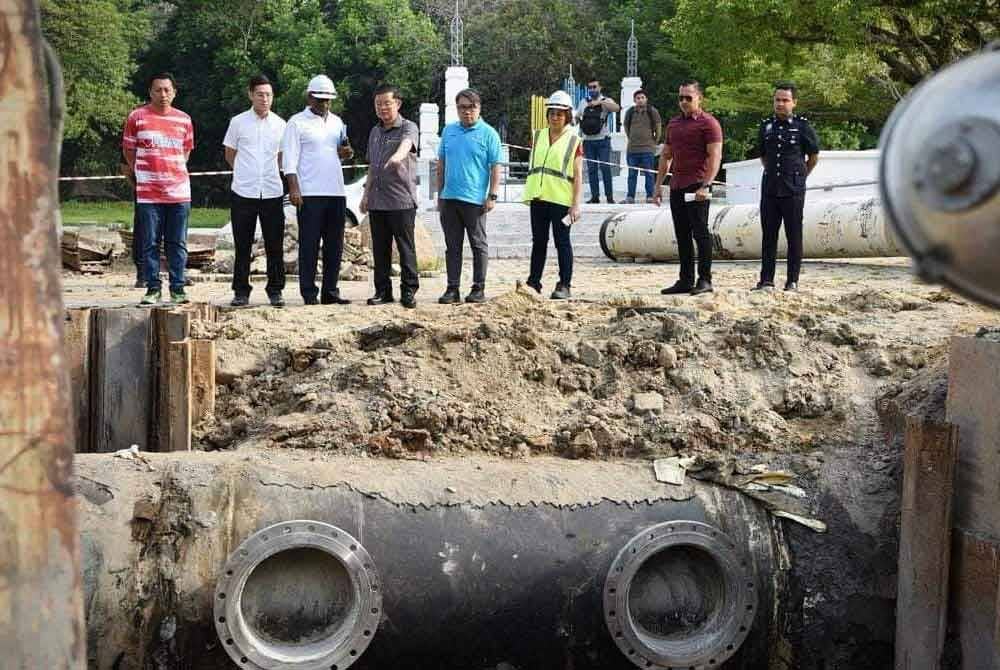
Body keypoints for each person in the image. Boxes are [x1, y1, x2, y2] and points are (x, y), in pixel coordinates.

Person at [122, 72, 194, 305]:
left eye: (167, 90)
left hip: (179, 192)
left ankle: (178, 287)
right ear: (150, 92)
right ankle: (152, 287)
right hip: (148, 193)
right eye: (158, 90)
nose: (163, 94)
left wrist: (172, 170)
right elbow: (129, 151)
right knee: (150, 242)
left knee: (177, 242)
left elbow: (186, 151)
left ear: (174, 92)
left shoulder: (184, 120)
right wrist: (142, 174)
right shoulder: (137, 118)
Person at [281, 74, 354, 305]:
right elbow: (289, 159)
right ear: (309, 97)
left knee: (334, 245)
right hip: (309, 192)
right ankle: (309, 293)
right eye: (320, 99)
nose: (324, 104)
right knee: (310, 245)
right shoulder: (296, 122)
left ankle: (331, 292)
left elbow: (341, 152)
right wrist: (294, 188)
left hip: (336, 191)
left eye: (328, 100)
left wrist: (347, 154)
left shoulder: (337, 122)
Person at [222, 74, 288, 307]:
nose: (264, 99)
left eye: (268, 95)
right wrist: (244, 172)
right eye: (260, 94)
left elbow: (282, 158)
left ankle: (276, 290)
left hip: (271, 190)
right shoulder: (238, 122)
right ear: (250, 94)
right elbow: (230, 153)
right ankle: (241, 291)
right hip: (243, 191)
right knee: (242, 245)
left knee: (274, 244)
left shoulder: (281, 124)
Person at [652, 80, 723, 296]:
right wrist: (658, 186)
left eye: (688, 98)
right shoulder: (673, 124)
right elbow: (666, 156)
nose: (683, 101)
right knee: (681, 234)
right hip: (677, 185)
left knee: (700, 233)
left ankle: (705, 279)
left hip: (697, 185)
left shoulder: (709, 123)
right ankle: (685, 279)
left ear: (699, 98)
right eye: (681, 97)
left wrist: (706, 185)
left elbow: (715, 156)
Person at [436, 88, 502, 304]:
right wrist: (440, 194)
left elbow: (495, 167)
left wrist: (492, 195)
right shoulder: (448, 131)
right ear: (457, 109)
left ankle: (478, 288)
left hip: (475, 200)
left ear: (479, 108)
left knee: (478, 244)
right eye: (462, 107)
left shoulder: (489, 133)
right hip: (450, 198)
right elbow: (441, 163)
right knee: (452, 246)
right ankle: (452, 288)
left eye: (471, 107)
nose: (467, 112)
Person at [753, 83, 820, 292]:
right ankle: (766, 280)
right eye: (777, 100)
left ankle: (792, 281)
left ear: (794, 102)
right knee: (769, 236)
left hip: (793, 189)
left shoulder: (802, 126)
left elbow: (813, 156)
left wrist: (800, 177)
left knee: (794, 235)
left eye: (785, 100)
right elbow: (763, 155)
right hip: (771, 188)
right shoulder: (766, 125)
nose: (780, 104)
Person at [360, 83, 420, 309]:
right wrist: (365, 195)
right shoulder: (374, 132)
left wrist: (397, 156)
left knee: (405, 247)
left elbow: (407, 145)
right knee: (380, 249)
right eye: (378, 104)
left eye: (387, 103)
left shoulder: (408, 127)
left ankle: (409, 290)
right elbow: (372, 167)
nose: (383, 108)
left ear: (398, 103)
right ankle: (382, 291)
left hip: (401, 200)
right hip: (377, 200)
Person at [522, 91, 583, 300]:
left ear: (567, 115)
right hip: (538, 197)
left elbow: (578, 174)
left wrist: (575, 204)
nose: (555, 117)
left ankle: (565, 284)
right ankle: (533, 282)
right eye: (552, 113)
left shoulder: (574, 139)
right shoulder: (538, 135)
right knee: (538, 242)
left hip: (561, 199)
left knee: (562, 242)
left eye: (560, 113)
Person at [575, 80, 620, 204]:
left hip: (602, 141)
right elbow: (577, 116)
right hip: (588, 141)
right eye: (590, 87)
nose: (592, 89)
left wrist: (599, 102)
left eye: (594, 87)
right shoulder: (583, 102)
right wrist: (582, 125)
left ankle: (609, 197)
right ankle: (595, 197)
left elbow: (616, 108)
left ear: (600, 87)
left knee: (605, 168)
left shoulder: (606, 101)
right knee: (592, 169)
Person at [624, 89, 662, 204]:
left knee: (649, 174)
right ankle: (630, 197)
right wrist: (631, 138)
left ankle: (650, 195)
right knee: (631, 174)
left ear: (646, 99)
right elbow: (626, 127)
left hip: (647, 149)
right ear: (634, 100)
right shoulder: (630, 111)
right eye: (638, 98)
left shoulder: (652, 111)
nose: (640, 100)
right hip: (632, 149)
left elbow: (658, 127)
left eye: (642, 98)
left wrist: (654, 141)